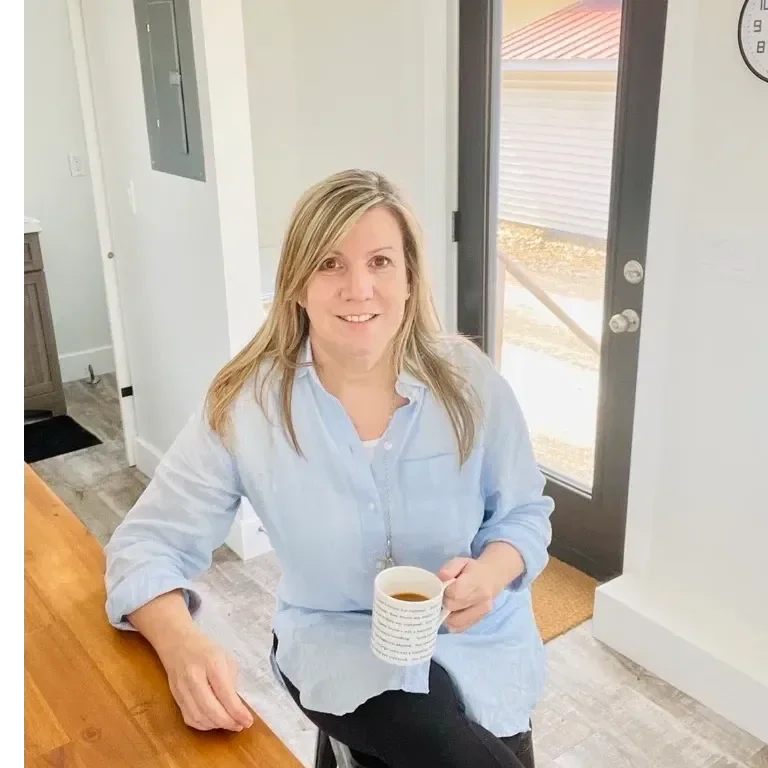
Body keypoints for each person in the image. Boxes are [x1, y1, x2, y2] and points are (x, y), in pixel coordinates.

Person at [104, 169, 554, 768]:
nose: (358, 288)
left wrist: (493, 573)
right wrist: (180, 644)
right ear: (296, 284)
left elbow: (525, 512)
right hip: (336, 643)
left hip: (482, 649)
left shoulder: (472, 384)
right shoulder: (247, 405)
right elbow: (146, 544)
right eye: (330, 264)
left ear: (410, 277)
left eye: (380, 262)